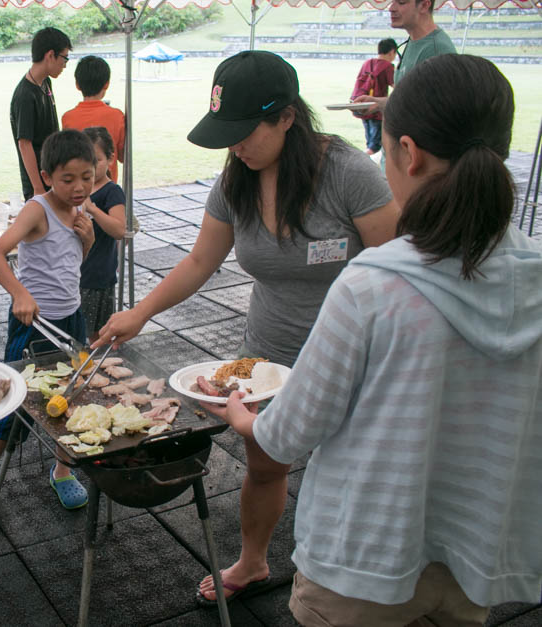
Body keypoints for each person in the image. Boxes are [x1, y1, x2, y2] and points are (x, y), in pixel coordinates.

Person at [212, 54, 542, 626]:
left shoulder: (373, 284)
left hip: (362, 566)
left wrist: (248, 419)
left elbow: (292, 431)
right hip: (476, 556)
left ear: (407, 153)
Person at [93, 51, 399, 605]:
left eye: (243, 131)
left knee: (355, 470)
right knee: (265, 462)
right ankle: (253, 562)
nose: (234, 146)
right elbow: (197, 263)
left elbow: (401, 262)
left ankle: (358, 574)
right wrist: (140, 313)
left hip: (358, 352)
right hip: (269, 355)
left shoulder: (349, 173)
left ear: (286, 117)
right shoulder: (235, 180)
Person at [0, 129, 96, 512]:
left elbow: (73, 266)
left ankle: (62, 470)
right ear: (46, 176)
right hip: (33, 323)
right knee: (14, 397)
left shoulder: (80, 213)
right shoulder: (37, 209)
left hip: (71, 318)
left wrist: (87, 241)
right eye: (68, 179)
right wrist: (20, 293)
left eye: (86, 177)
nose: (78, 187)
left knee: (71, 396)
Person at [355, 0, 456, 114]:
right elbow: (413, 100)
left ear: (424, 5)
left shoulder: (436, 50)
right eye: (393, 2)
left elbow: (435, 111)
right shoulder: (414, 41)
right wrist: (378, 103)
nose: (391, 8)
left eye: (401, 2)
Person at [11, 27, 72, 201]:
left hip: (53, 176)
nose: (65, 65)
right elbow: (24, 144)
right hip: (39, 184)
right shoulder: (25, 95)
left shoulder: (46, 83)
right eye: (64, 58)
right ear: (50, 55)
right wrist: (38, 188)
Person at [80, 126, 126, 342]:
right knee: (76, 331)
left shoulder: (112, 192)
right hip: (75, 273)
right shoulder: (77, 189)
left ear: (110, 159)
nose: (90, 167)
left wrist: (93, 209)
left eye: (96, 160)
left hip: (97, 276)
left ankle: (98, 367)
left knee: (96, 335)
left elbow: (119, 229)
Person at [62, 55, 126, 183]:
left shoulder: (68, 118)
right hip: (107, 189)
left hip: (78, 190)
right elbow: (123, 156)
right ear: (106, 84)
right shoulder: (117, 116)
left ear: (77, 85)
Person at [350, 38, 398, 156]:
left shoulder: (367, 63)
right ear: (392, 52)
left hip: (362, 107)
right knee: (375, 146)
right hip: (376, 111)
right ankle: (360, 163)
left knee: (370, 142)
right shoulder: (388, 67)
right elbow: (396, 87)